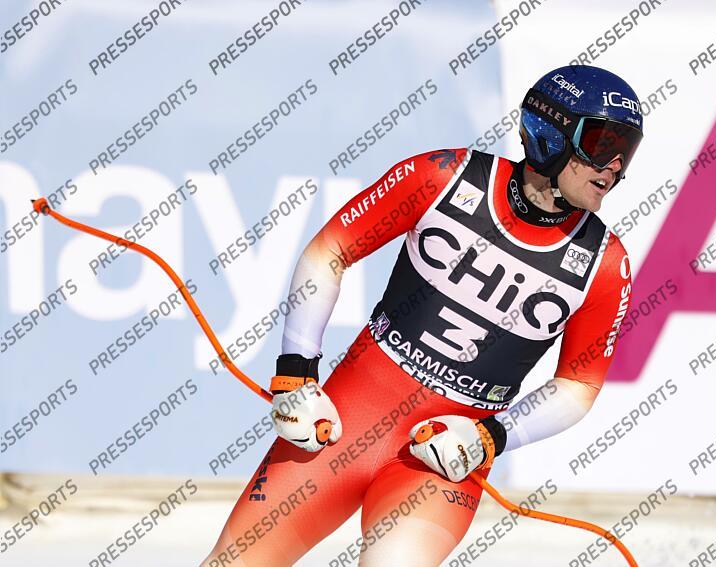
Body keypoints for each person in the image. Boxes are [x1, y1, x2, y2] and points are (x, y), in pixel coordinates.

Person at [203, 64, 644, 567]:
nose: (614, 166)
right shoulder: (442, 175)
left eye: (626, 152)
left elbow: (578, 386)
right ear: (551, 134)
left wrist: (489, 436)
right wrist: (296, 376)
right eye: (603, 144)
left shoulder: (605, 263)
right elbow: (329, 252)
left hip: (443, 455)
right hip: (345, 421)